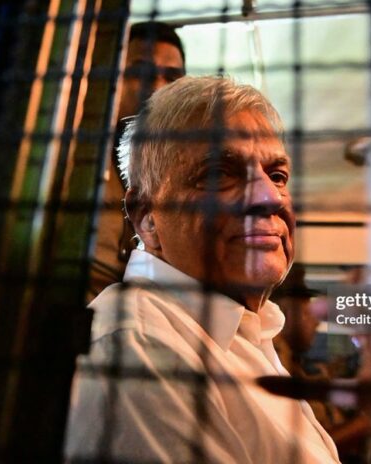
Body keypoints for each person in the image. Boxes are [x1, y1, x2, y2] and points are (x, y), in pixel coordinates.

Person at [65, 76, 340, 463]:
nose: (269, 197)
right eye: (219, 174)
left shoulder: (245, 334)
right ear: (146, 217)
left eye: (277, 176)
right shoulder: (139, 346)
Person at [88, 22, 186, 300]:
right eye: (140, 72)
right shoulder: (76, 158)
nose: (157, 87)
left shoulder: (181, 182)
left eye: (171, 79)